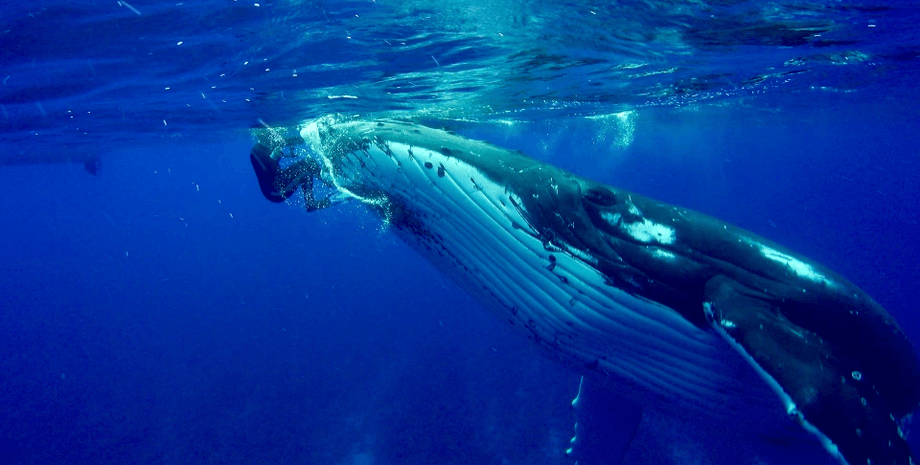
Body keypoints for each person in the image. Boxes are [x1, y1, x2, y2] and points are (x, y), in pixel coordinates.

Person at [249, 140, 341, 212]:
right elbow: (268, 175)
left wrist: (308, 137)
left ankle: (329, 181)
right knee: (306, 172)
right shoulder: (256, 151)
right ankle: (311, 204)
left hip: (280, 178)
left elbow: (287, 141)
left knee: (309, 161)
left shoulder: (267, 142)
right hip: (275, 191)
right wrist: (274, 159)